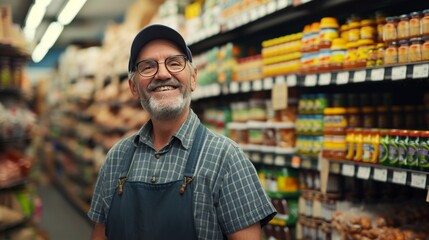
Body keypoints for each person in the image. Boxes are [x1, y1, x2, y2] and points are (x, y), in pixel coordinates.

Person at [88, 24, 277, 240]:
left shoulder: (226, 158)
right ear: (133, 87)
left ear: (194, 78)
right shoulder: (116, 158)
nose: (162, 73)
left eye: (175, 63)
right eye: (148, 67)